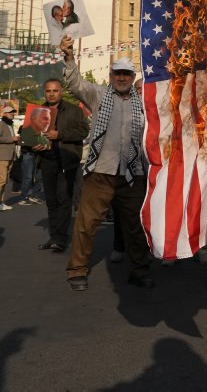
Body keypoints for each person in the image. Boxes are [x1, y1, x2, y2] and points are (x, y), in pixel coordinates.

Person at [59, 37, 152, 291]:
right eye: (117, 73)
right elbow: (75, 83)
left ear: (133, 77)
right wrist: (69, 57)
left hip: (133, 174)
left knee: (137, 226)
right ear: (110, 76)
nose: (121, 78)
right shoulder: (98, 94)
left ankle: (139, 270)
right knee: (86, 223)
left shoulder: (144, 103)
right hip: (100, 172)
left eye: (126, 74)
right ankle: (77, 270)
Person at [34, 77, 89, 254]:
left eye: (55, 90)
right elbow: (30, 135)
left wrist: (60, 134)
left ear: (61, 91)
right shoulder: (37, 111)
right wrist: (32, 145)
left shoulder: (74, 110)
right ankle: (54, 236)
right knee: (51, 201)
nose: (51, 94)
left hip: (67, 161)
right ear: (45, 92)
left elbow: (83, 131)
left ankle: (60, 239)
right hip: (47, 160)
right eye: (48, 91)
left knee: (64, 200)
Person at [0, 106, 19, 211]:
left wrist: (16, 140)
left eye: (13, 112)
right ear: (5, 113)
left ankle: (0, 202)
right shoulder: (0, 124)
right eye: (10, 112)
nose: (13, 114)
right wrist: (12, 139)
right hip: (2, 155)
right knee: (1, 179)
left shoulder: (9, 125)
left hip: (9, 155)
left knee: (5, 179)